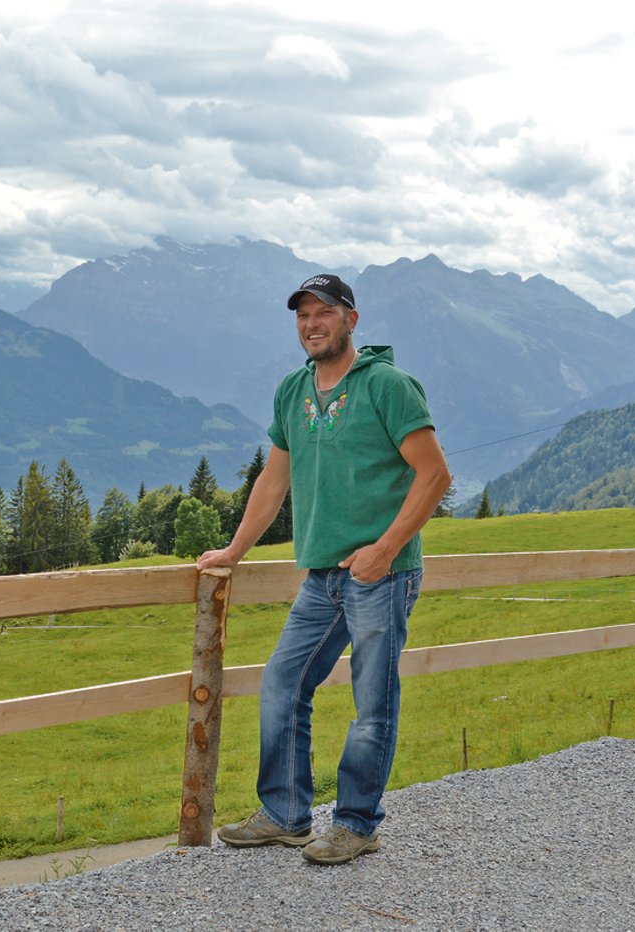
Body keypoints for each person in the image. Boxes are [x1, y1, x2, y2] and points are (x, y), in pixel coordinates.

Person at [197, 272, 451, 864]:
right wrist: (235, 551)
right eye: (302, 315)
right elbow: (273, 480)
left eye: (324, 313)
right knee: (283, 683)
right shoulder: (293, 390)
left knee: (372, 703)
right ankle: (286, 815)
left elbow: (434, 474)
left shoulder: (388, 386)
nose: (312, 325)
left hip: (381, 574)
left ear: (351, 320)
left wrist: (384, 550)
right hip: (322, 577)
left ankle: (357, 824)